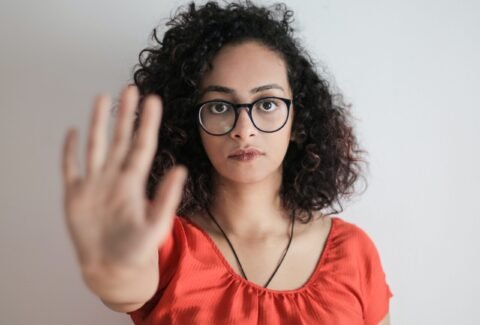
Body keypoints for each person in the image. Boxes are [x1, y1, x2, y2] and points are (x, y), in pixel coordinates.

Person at [61, 1, 393, 324]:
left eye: (266, 104)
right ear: (189, 126)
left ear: (299, 119)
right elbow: (124, 285)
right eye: (219, 107)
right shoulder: (162, 243)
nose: (244, 130)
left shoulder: (353, 252)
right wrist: (112, 268)